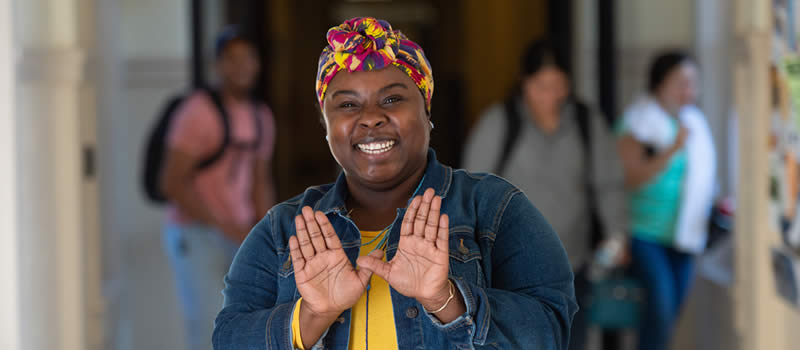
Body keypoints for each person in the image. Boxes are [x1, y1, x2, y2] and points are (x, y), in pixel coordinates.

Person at [212, 17, 576, 349]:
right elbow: (228, 338)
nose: (371, 118)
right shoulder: (283, 229)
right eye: (348, 105)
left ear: (426, 111)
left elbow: (550, 330)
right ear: (326, 127)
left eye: (392, 99)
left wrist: (446, 300)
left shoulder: (494, 208)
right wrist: (312, 316)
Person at [463, 39, 628, 350]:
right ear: (524, 83)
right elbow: (473, 191)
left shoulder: (585, 123)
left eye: (558, 85)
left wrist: (617, 233)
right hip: (510, 267)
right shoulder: (499, 124)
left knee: (571, 340)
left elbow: (609, 184)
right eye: (541, 86)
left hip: (572, 262)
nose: (550, 95)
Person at [160, 27, 277, 350]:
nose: (241, 66)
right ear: (218, 65)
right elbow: (171, 182)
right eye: (232, 59)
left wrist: (265, 233)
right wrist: (222, 225)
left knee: (246, 320)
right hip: (195, 232)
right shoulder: (198, 111)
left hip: (239, 235)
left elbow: (259, 179)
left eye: (248, 58)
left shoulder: (260, 116)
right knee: (209, 321)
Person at [616, 51, 716, 350]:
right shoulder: (637, 123)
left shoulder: (695, 123)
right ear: (659, 84)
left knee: (669, 316)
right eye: (681, 83)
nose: (688, 91)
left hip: (685, 236)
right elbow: (629, 177)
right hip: (645, 234)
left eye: (693, 84)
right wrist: (672, 149)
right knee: (658, 312)